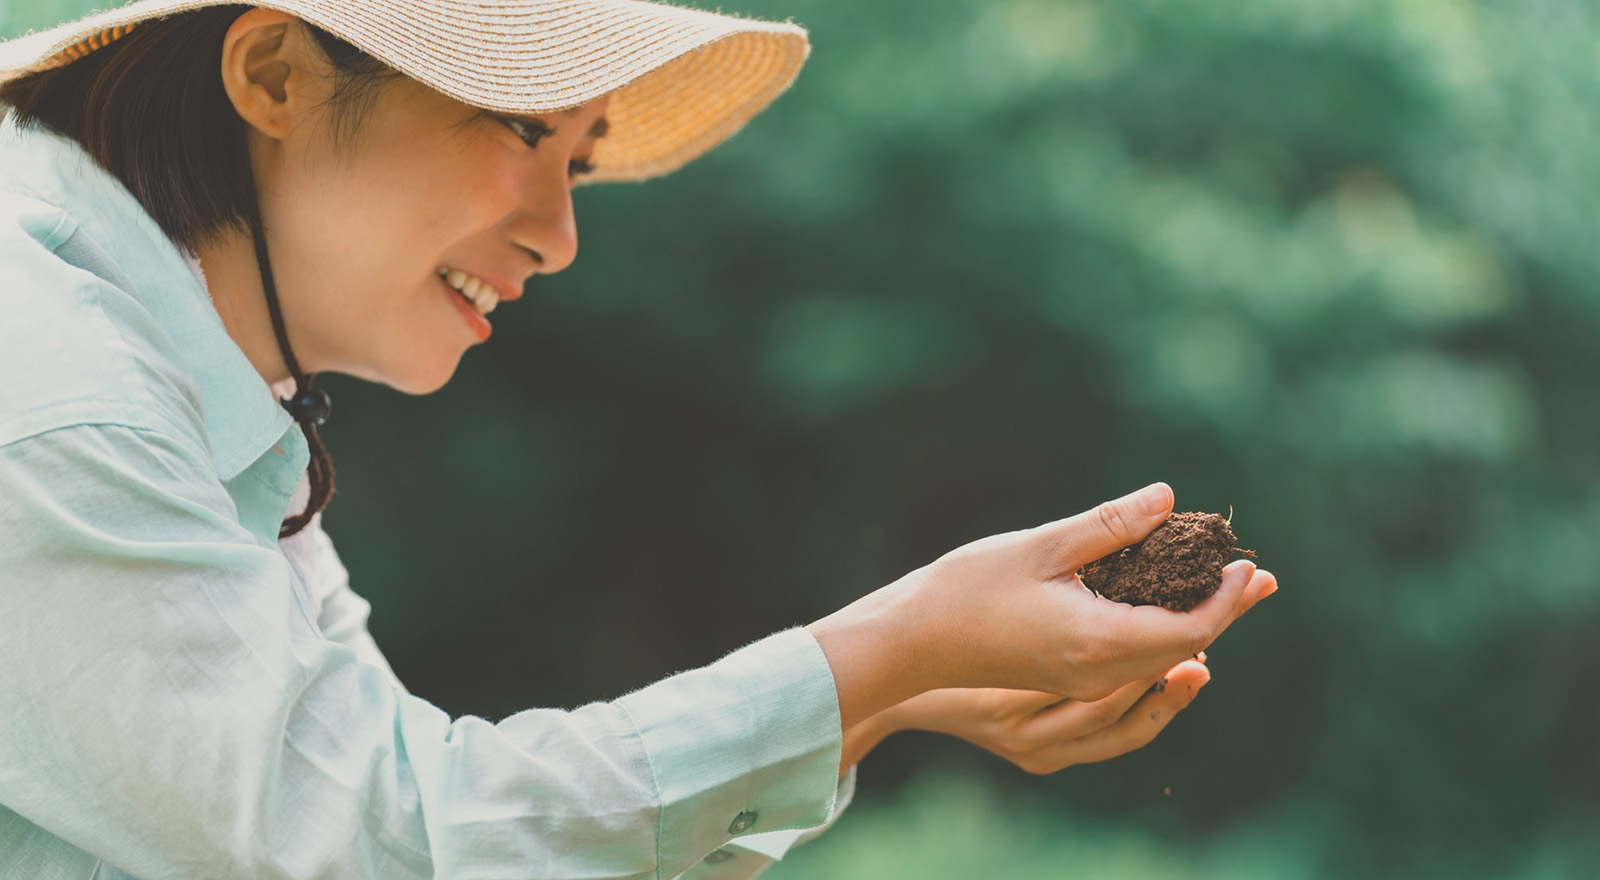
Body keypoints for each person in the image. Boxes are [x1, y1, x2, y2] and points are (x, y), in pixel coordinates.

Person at [0, 1, 1279, 878]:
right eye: (519, 129)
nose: (559, 236)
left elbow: (408, 813)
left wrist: (890, 691)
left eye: (582, 158)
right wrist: (880, 654)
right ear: (275, 76)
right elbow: (386, 839)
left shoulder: (202, 394)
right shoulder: (56, 393)